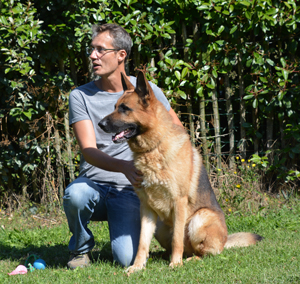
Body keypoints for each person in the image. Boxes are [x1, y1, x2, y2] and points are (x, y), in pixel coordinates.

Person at [63, 23, 183, 269]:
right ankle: (80, 249)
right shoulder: (80, 96)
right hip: (94, 185)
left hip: (131, 190)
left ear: (121, 55)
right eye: (91, 49)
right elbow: (88, 149)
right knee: (76, 194)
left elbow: (178, 131)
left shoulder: (147, 93)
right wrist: (125, 167)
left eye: (100, 50)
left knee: (126, 258)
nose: (92, 56)